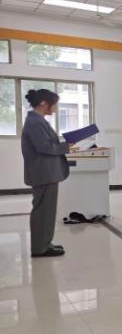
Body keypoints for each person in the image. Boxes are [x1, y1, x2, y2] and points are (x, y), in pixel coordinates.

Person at [21, 88, 71, 258]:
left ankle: (44, 243)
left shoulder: (38, 120)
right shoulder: (35, 122)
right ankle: (39, 248)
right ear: (43, 103)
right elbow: (44, 147)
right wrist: (66, 147)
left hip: (46, 172)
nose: (55, 109)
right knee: (43, 211)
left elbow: (47, 144)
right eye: (54, 105)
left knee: (47, 211)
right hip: (43, 173)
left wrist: (65, 144)